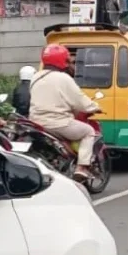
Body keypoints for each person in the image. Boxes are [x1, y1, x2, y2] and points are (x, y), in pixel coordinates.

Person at [29, 44, 101, 182]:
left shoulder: (35, 77)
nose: (70, 64)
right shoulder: (64, 78)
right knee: (88, 131)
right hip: (58, 124)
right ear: (61, 60)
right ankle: (82, 167)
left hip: (35, 122)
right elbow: (80, 100)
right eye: (68, 61)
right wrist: (94, 107)